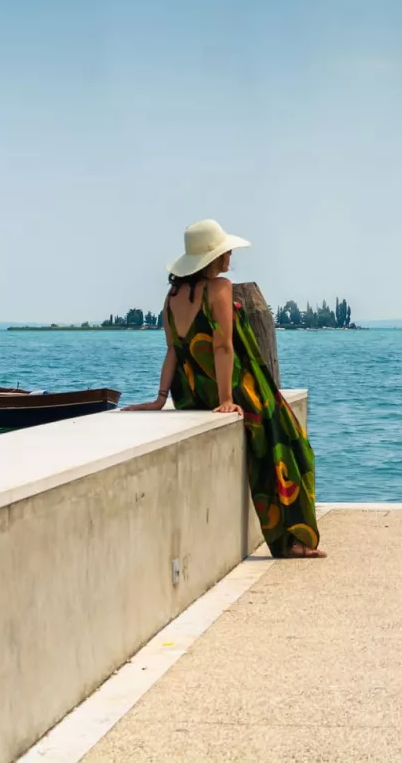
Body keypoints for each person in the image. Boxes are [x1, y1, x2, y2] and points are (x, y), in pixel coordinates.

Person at [124, 219, 324, 558]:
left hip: (189, 393)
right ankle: (292, 539)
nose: (230, 255)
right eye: (225, 250)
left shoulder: (171, 298)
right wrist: (228, 398)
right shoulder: (219, 288)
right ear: (212, 259)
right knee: (292, 447)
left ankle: (289, 538)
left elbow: (172, 350)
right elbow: (223, 345)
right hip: (235, 387)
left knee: (272, 447)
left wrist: (160, 399)